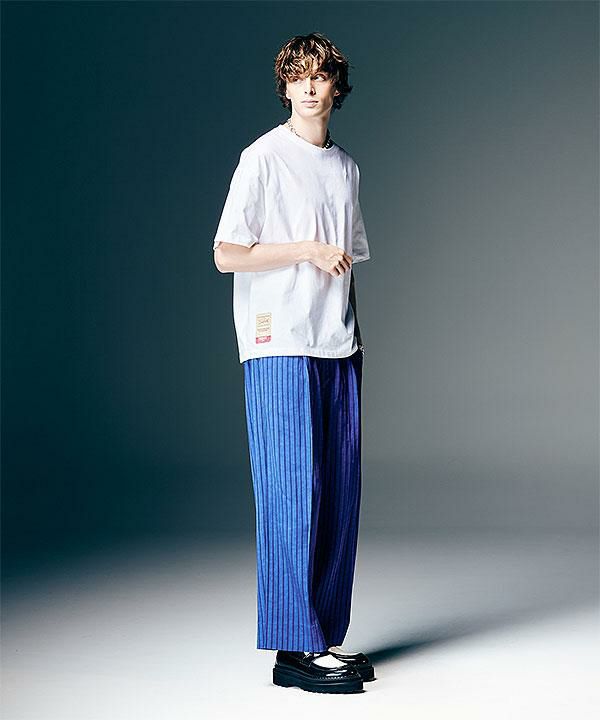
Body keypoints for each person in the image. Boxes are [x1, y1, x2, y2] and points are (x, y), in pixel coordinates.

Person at [212, 32, 375, 694]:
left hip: (338, 344)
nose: (309, 86)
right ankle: (291, 648)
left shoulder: (347, 169)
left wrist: (352, 335)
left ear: (336, 87)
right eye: (298, 76)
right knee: (290, 493)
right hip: (278, 341)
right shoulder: (262, 158)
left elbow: (348, 263)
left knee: (337, 495)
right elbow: (226, 253)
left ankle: (321, 638)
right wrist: (305, 248)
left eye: (320, 75)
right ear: (284, 87)